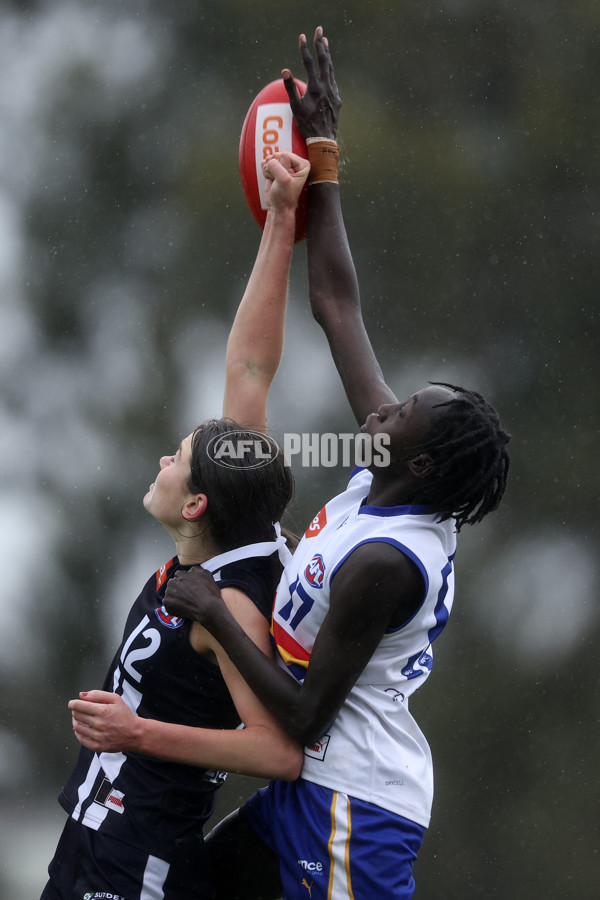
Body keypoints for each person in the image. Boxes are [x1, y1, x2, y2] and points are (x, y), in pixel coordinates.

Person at [70, 27, 511, 900]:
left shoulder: (386, 561)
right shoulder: (383, 467)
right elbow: (338, 304)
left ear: (418, 467)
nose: (379, 408)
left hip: (356, 804)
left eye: (400, 418)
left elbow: (304, 717)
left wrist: (213, 614)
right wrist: (320, 168)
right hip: (303, 788)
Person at [40, 150, 310, 900]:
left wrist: (138, 734)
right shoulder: (239, 508)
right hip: (90, 839)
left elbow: (277, 750)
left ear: (196, 504)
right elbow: (251, 369)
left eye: (178, 458)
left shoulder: (233, 602)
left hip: (142, 860)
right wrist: (283, 218)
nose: (164, 457)